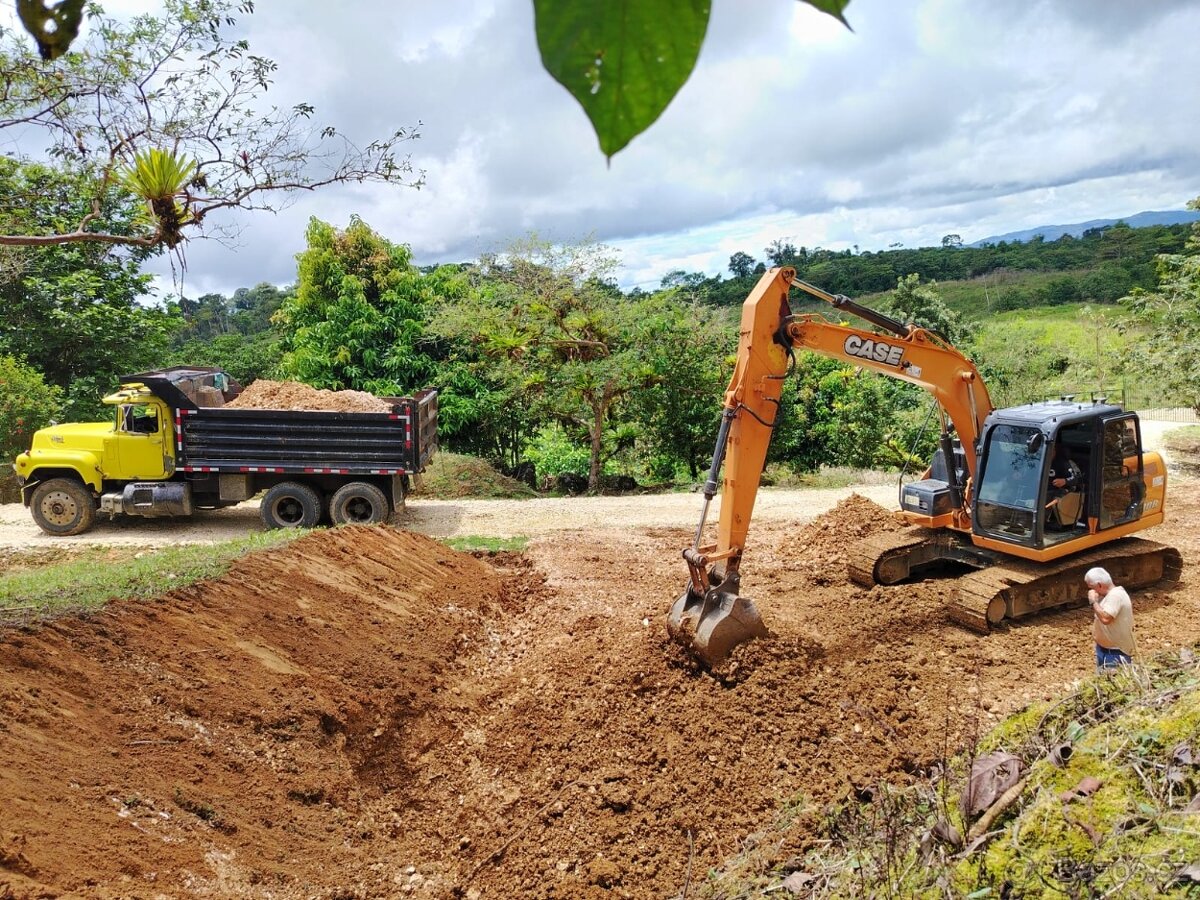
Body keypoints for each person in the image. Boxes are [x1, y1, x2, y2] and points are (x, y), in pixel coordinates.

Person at [1085, 567, 1135, 670]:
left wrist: (1093, 601)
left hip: (1115, 654)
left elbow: (1105, 619)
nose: (1091, 591)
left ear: (1099, 585)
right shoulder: (1108, 596)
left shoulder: (1116, 596)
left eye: (1091, 587)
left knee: (1115, 683)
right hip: (1105, 650)